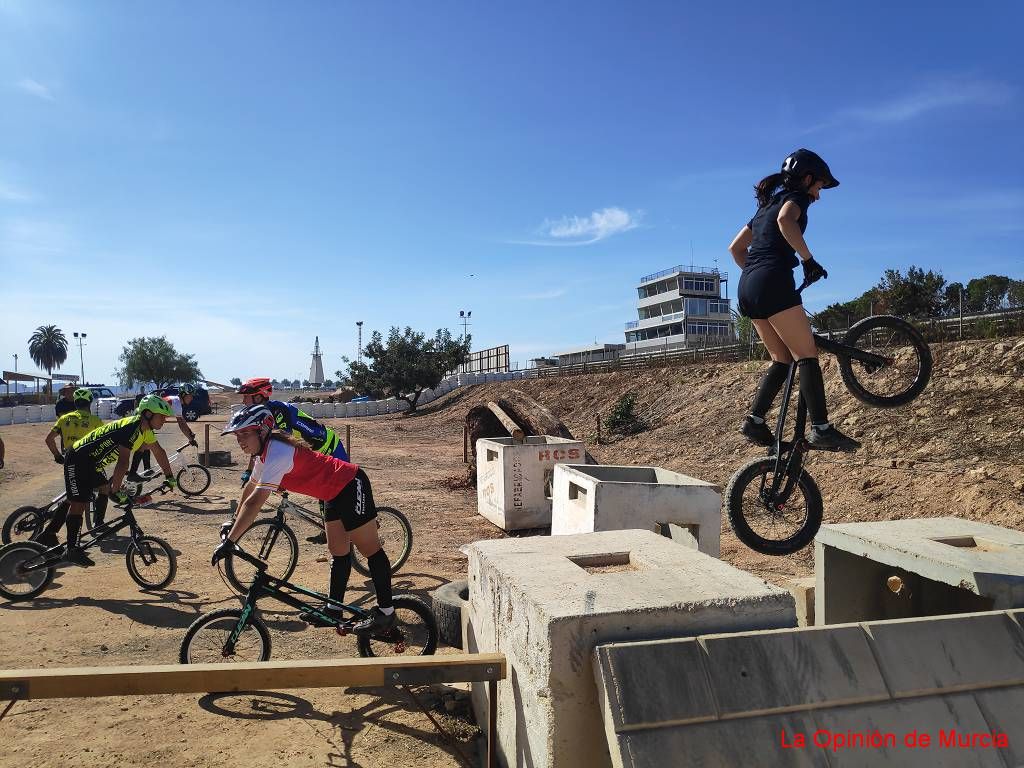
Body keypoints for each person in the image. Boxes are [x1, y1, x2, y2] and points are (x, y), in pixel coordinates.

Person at [213, 404, 394, 634]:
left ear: (263, 430)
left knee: (370, 549)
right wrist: (233, 521)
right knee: (338, 551)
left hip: (350, 483)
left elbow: (255, 502)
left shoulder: (277, 451)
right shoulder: (263, 455)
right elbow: (249, 487)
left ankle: (387, 613)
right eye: (237, 435)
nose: (240, 440)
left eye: (245, 433)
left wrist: (230, 541)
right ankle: (333, 610)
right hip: (331, 493)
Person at [728, 148, 859, 453]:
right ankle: (821, 429)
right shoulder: (795, 199)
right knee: (806, 354)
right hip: (773, 281)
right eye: (819, 187)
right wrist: (808, 260)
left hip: (747, 286)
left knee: (782, 359)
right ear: (808, 179)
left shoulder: (764, 208)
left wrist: (757, 273)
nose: (819, 195)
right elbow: (787, 221)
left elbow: (735, 249)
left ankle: (755, 421)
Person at [36, 395, 178, 566]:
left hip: (91, 462)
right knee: (79, 502)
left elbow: (159, 451)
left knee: (81, 496)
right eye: (161, 416)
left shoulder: (144, 430)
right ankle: (72, 550)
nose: (164, 420)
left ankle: (49, 535)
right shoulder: (131, 427)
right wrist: (116, 490)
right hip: (78, 458)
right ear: (147, 414)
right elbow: (123, 462)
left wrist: (170, 476)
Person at [44, 388, 107, 525]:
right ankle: (99, 522)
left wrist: (58, 456)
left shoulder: (64, 419)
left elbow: (49, 440)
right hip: (89, 463)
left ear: (75, 403)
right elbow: (104, 442)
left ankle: (51, 529)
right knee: (104, 488)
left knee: (73, 497)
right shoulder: (95, 420)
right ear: (89, 402)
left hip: (70, 460)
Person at [127, 384, 199, 481]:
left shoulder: (176, 401)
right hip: (145, 417)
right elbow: (181, 424)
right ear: (183, 394)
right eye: (190, 396)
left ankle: (145, 469)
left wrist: (190, 434)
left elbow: (182, 422)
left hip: (147, 417)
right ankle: (134, 473)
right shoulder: (176, 402)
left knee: (145, 444)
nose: (191, 398)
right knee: (145, 445)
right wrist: (190, 438)